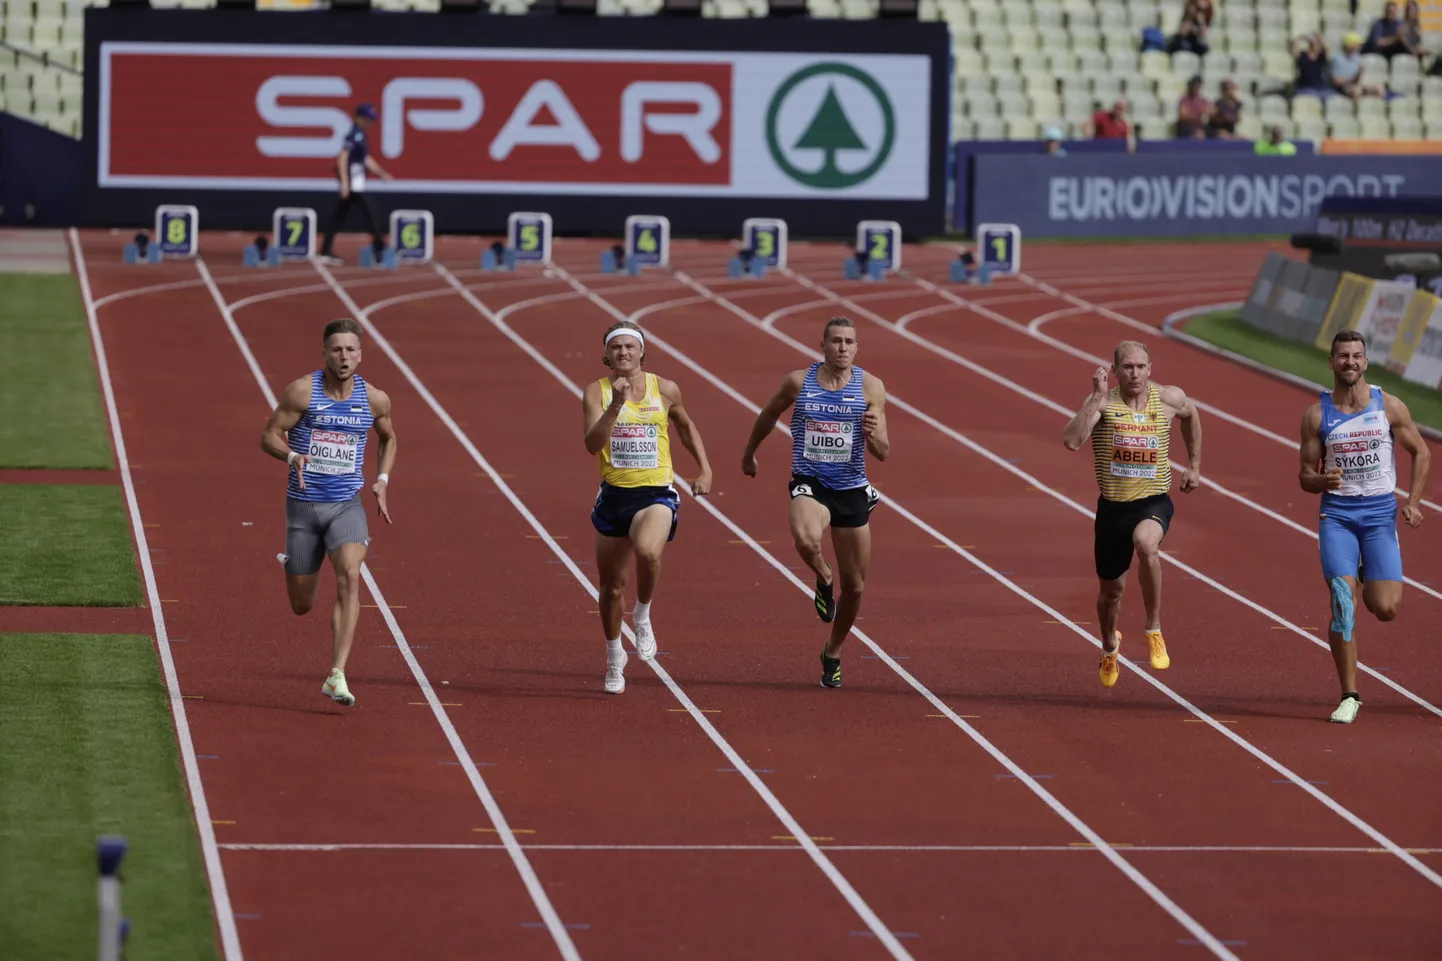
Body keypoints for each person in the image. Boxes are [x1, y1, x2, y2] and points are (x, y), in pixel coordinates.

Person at [741, 317, 890, 689]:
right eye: (836, 341)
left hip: (851, 487)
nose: (842, 347)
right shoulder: (799, 382)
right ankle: (824, 576)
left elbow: (884, 452)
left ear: (857, 348)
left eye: (849, 342)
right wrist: (749, 454)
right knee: (807, 540)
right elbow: (769, 414)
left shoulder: (870, 387)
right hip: (811, 482)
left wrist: (872, 436)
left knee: (855, 587)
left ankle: (833, 651)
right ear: (822, 345)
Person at [260, 318, 397, 707]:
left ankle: (337, 674)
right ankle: (295, 562)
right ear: (324, 353)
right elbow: (268, 434)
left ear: (360, 354)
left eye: (351, 350)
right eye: (336, 349)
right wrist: (291, 455)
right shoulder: (302, 392)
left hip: (345, 504)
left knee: (351, 575)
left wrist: (383, 479)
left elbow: (389, 438)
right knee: (301, 605)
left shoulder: (374, 399)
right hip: (304, 507)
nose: (344, 356)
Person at [1297, 330, 1430, 724]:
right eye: (1342, 356)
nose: (1350, 362)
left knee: (1385, 608)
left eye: (1356, 356)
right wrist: (1322, 481)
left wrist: (1414, 502)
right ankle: (1349, 695)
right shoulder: (1317, 415)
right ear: (1332, 363)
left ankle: (1364, 573)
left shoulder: (1388, 406)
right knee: (1342, 604)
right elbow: (1304, 475)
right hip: (1337, 516)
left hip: (1378, 517)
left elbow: (1420, 452)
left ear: (1366, 362)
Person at [581, 321, 713, 695]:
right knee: (610, 588)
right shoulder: (597, 392)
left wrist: (704, 468)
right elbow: (592, 444)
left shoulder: (665, 388)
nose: (624, 352)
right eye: (616, 348)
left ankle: (642, 614)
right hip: (614, 496)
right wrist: (617, 405)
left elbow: (685, 427)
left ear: (642, 351)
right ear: (607, 356)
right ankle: (613, 657)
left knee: (648, 551)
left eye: (630, 346)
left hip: (656, 492)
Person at [1062, 341, 1202, 688]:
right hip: (1113, 509)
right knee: (1111, 594)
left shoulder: (1168, 398)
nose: (1135, 374)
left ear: (1150, 368)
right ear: (1115, 371)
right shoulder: (1103, 404)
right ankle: (1110, 646)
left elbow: (1192, 415)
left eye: (1140, 367)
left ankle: (1153, 629)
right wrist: (1095, 397)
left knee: (1147, 544)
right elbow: (1072, 441)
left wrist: (1194, 466)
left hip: (1152, 502)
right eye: (1127, 367)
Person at [318, 104, 393, 266]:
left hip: (357, 183)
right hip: (353, 184)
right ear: (359, 118)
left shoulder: (361, 135)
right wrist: (345, 183)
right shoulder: (354, 135)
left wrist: (381, 173)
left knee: (339, 217)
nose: (370, 123)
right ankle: (380, 247)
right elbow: (342, 159)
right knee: (370, 214)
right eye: (368, 119)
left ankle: (325, 250)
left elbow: (366, 159)